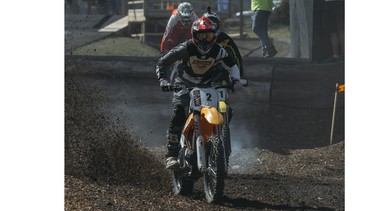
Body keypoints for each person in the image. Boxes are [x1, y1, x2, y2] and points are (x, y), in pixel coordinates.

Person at [156, 17, 243, 169]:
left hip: (206, 85)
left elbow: (232, 66)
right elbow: (163, 62)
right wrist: (164, 81)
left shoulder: (218, 50)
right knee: (179, 112)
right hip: (183, 84)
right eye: (201, 35)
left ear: (214, 36)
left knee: (226, 109)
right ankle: (171, 154)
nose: (204, 40)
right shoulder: (186, 48)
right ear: (194, 35)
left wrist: (235, 80)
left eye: (208, 35)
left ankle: (217, 141)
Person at [203, 7, 244, 77]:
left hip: (222, 72)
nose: (211, 28)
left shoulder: (224, 38)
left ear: (218, 25)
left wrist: (239, 75)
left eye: (214, 25)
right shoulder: (198, 37)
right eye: (208, 25)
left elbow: (236, 56)